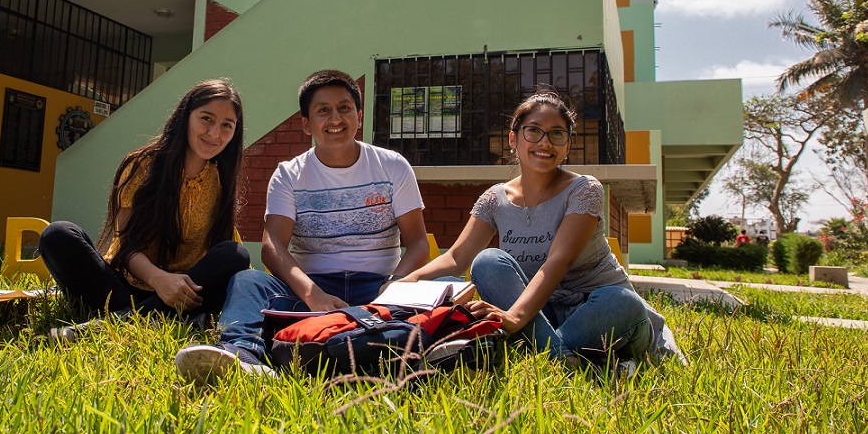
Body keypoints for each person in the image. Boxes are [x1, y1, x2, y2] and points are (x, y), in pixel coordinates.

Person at [400, 90, 680, 373]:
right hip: (542, 316)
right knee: (487, 261)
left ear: (568, 146)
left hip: (600, 315)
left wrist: (514, 317)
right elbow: (457, 258)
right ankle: (572, 363)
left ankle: (542, 351)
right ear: (514, 138)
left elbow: (559, 259)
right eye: (533, 131)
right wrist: (401, 283)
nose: (545, 142)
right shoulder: (494, 199)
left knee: (621, 301)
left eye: (557, 134)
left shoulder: (584, 189)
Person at [175, 70, 430, 380]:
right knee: (247, 282)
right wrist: (313, 294)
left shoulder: (392, 166)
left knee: (450, 289)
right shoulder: (288, 175)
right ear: (306, 123)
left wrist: (396, 284)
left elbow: (417, 241)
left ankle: (434, 348)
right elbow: (272, 247)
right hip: (309, 290)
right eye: (323, 110)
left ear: (359, 116)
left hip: (379, 286)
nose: (335, 118)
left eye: (344, 108)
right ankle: (242, 357)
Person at [39, 79, 252, 340]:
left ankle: (107, 327)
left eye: (226, 126)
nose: (214, 133)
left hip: (184, 294)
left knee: (236, 254)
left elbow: (230, 257)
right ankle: (152, 319)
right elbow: (126, 246)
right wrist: (159, 279)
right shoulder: (143, 165)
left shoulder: (220, 182)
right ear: (186, 116)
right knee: (58, 234)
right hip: (123, 285)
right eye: (206, 119)